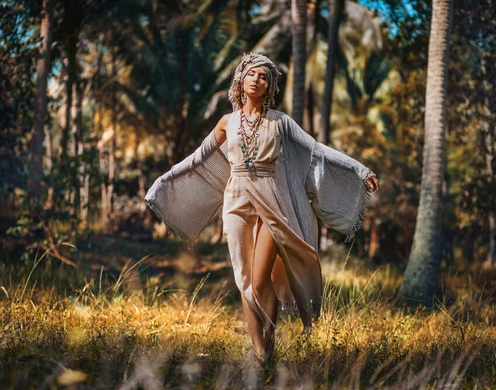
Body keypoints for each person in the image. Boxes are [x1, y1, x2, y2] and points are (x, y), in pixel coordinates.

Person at [145, 53, 378, 364]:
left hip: (271, 202)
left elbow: (317, 149)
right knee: (244, 280)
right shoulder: (227, 122)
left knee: (258, 279)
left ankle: (267, 342)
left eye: (264, 77)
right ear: (241, 81)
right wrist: (163, 181)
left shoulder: (280, 122)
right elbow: (198, 158)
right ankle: (262, 355)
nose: (257, 79)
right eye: (252, 74)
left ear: (269, 87)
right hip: (236, 204)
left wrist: (362, 171)